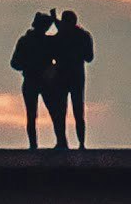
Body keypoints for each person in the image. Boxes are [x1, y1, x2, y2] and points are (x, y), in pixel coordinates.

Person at [46, 8, 97, 148]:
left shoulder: (59, 37)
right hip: (76, 77)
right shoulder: (83, 36)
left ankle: (63, 142)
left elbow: (52, 55)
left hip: (62, 77)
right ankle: (80, 143)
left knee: (61, 112)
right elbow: (89, 57)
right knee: (77, 111)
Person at [8, 10, 52, 147]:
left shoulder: (44, 41)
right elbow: (14, 63)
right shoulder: (29, 41)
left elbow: (14, 63)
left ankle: (38, 144)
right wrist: (30, 66)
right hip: (34, 80)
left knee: (50, 112)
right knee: (34, 115)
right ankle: (34, 144)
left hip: (42, 81)